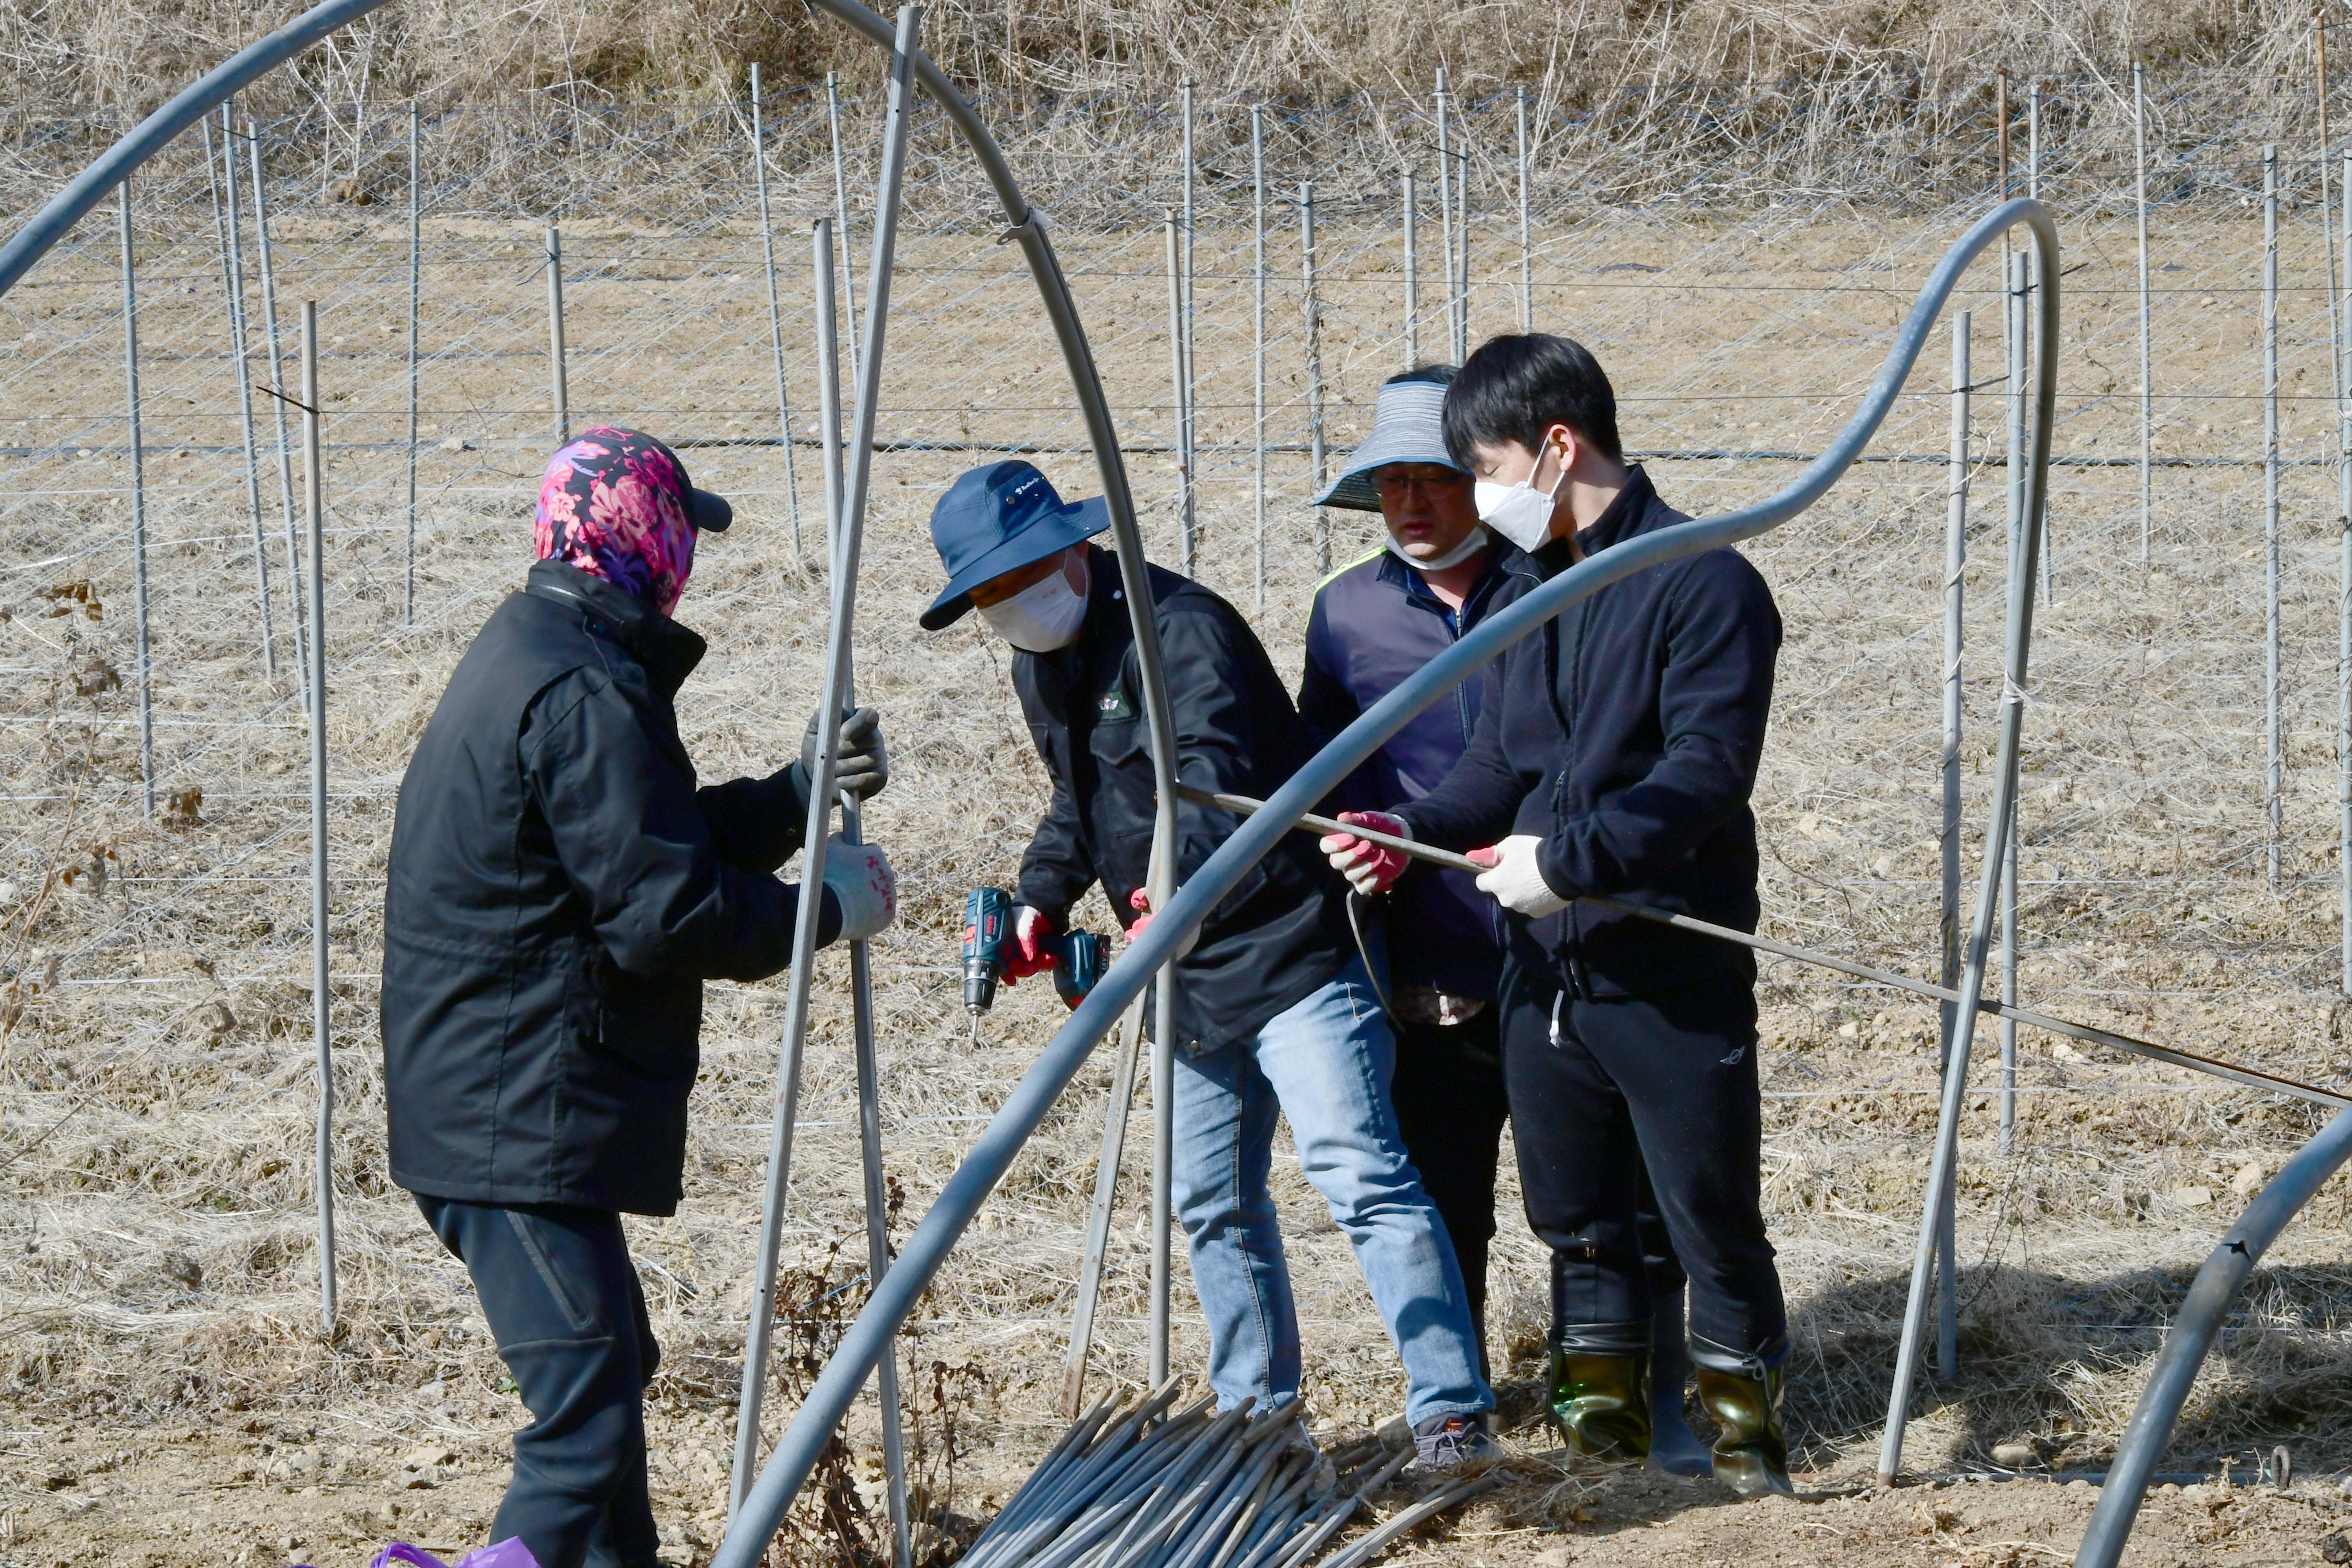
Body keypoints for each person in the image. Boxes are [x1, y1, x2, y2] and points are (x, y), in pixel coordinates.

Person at [381, 427, 898, 1568]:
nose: (687, 556)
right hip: (509, 1114)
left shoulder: (546, 653)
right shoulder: (581, 690)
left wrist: (796, 800)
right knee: (586, 1414)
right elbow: (664, 913)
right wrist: (822, 911)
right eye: (679, 529)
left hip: (501, 1098)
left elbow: (637, 848)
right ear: (637, 534)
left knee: (609, 1369)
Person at [919, 458, 1495, 1467]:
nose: (1008, 608)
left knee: (1361, 1175)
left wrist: (1169, 902)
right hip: (1181, 977)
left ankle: (1451, 1409)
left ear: (1071, 549)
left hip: (1288, 946)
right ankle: (1256, 1420)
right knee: (1212, 1200)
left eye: (1017, 581)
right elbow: (1077, 799)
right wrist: (1038, 899)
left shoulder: (1180, 630)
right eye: (988, 600)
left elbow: (1219, 792)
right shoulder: (1041, 661)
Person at [1323, 336, 1793, 1495]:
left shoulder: (1705, 583)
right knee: (1579, 1222)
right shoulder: (1533, 593)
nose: (1476, 501)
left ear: (1557, 449)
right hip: (1542, 963)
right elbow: (1499, 759)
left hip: (1665, 960)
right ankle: (1605, 1442)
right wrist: (1409, 829)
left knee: (1705, 1210)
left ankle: (1746, 1448)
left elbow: (1704, 772)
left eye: (1483, 469)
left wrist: (1574, 861)